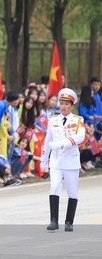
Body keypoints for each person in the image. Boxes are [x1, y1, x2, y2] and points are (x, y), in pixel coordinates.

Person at [40, 88, 85, 232]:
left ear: (72, 105)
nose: (63, 106)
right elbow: (48, 140)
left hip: (71, 160)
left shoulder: (78, 120)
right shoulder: (53, 120)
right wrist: (43, 159)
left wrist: (61, 144)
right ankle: (53, 221)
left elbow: (80, 138)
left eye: (67, 103)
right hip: (56, 160)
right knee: (54, 187)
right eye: (62, 103)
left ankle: (69, 221)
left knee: (72, 192)